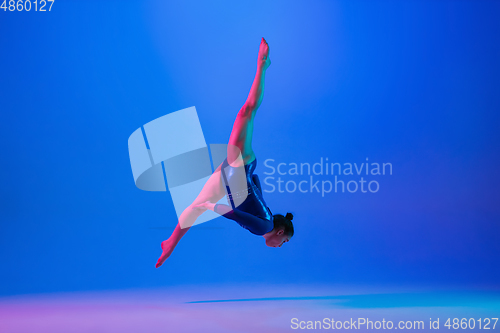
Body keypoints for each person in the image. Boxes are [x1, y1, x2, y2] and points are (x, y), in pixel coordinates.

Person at [156, 38, 294, 268]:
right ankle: (263, 65)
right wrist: (211, 206)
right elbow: (234, 214)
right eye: (284, 242)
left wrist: (245, 184)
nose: (281, 246)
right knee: (246, 113)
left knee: (193, 209)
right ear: (280, 232)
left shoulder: (267, 219)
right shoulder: (265, 227)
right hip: (238, 169)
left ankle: (169, 243)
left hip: (236, 177)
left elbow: (256, 186)